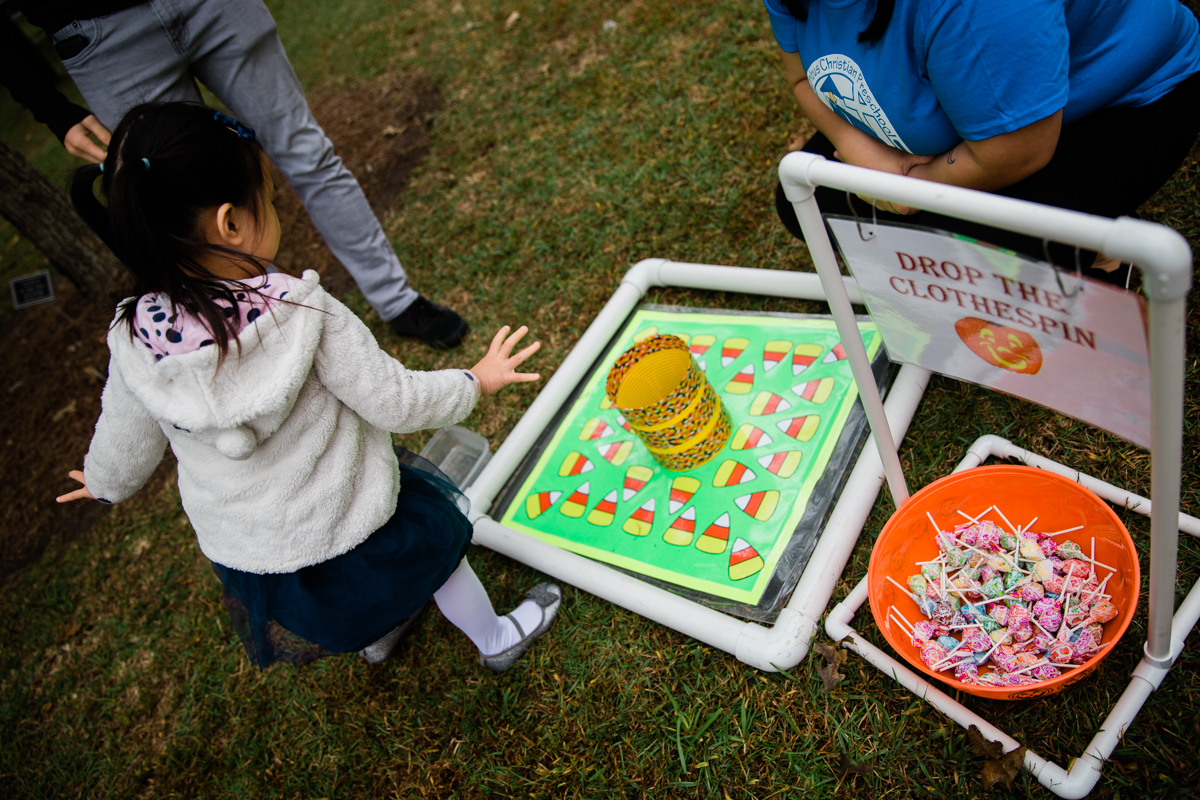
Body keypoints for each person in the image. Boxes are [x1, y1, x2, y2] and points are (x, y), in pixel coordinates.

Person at [54, 102, 559, 672]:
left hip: (261, 552)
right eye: (268, 197)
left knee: (354, 592)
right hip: (350, 513)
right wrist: (475, 380)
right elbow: (396, 401)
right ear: (231, 223)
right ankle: (494, 639)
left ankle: (378, 626)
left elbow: (125, 431)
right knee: (436, 555)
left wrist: (104, 482)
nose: (274, 207)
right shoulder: (302, 314)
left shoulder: (135, 338)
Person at [7, 0, 466, 348]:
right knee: (192, 214)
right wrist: (48, 106)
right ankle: (276, 346)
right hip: (98, 34)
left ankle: (399, 302)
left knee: (308, 152)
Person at [765, 0, 1200, 286]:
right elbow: (801, 75)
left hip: (1117, 104)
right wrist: (865, 153)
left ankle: (1104, 252)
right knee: (806, 203)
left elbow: (1016, 152)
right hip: (959, 130)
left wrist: (911, 186)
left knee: (1016, 255)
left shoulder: (980, 8)